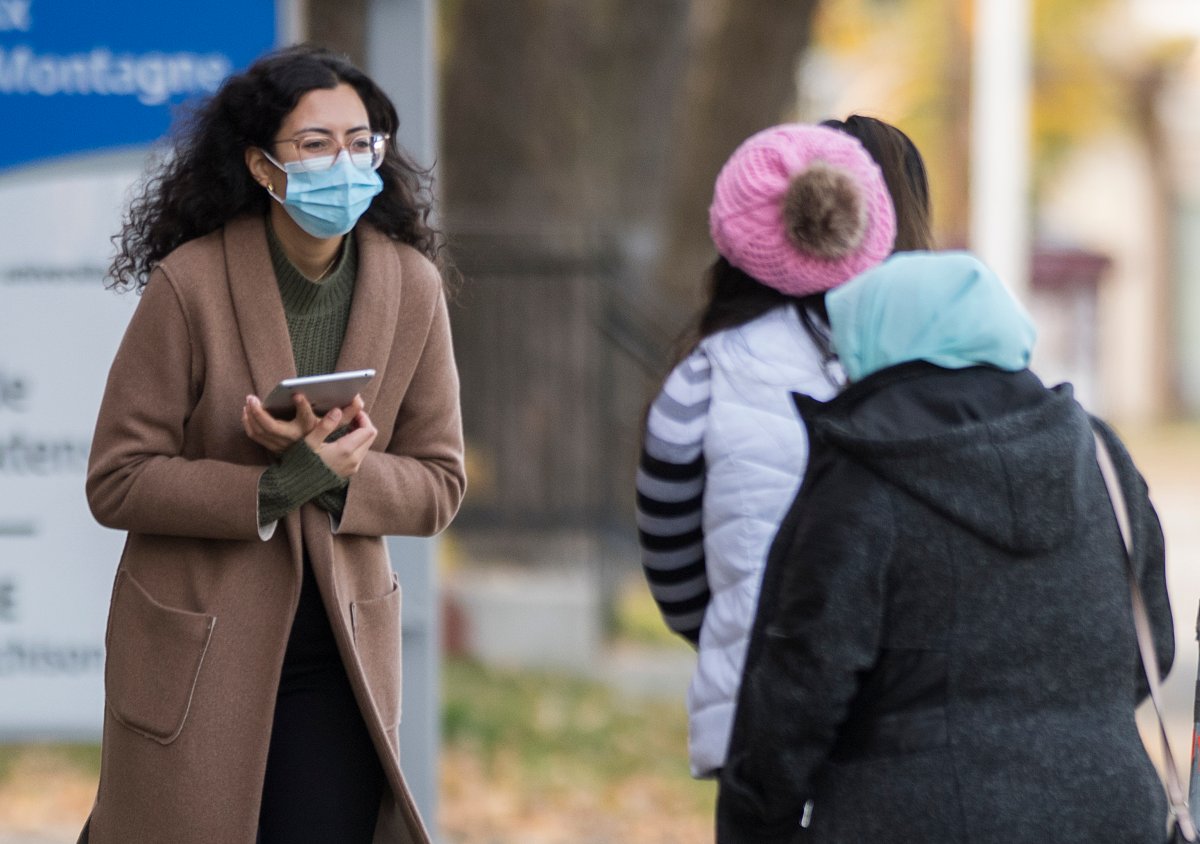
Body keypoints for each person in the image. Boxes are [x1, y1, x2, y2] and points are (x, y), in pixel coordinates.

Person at [79, 44, 466, 844]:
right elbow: (117, 480)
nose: (345, 163)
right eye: (316, 144)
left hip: (340, 653)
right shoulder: (189, 284)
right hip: (201, 644)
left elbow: (439, 483)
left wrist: (332, 475)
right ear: (261, 166)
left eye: (361, 143)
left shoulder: (412, 289)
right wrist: (276, 483)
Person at [716, 251, 1175, 843]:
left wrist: (756, 816)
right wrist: (1064, 722)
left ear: (875, 343)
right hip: (1111, 813)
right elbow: (1151, 645)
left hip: (907, 817)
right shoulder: (1101, 456)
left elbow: (803, 685)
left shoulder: (865, 480)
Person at [636, 117, 928, 779]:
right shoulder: (939, 370)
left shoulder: (703, 380)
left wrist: (746, 627)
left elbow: (674, 572)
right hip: (917, 725)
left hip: (761, 723)